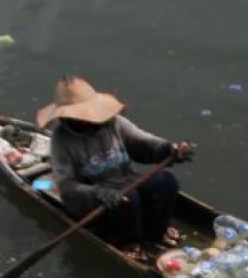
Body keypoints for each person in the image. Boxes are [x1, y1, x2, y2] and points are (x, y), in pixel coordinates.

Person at [37, 76, 195, 263]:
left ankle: (156, 232)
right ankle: (129, 242)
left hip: (124, 183)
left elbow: (143, 142)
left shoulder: (114, 123)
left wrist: (170, 149)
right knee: (127, 199)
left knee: (165, 182)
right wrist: (98, 193)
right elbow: (67, 186)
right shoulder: (62, 140)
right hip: (93, 200)